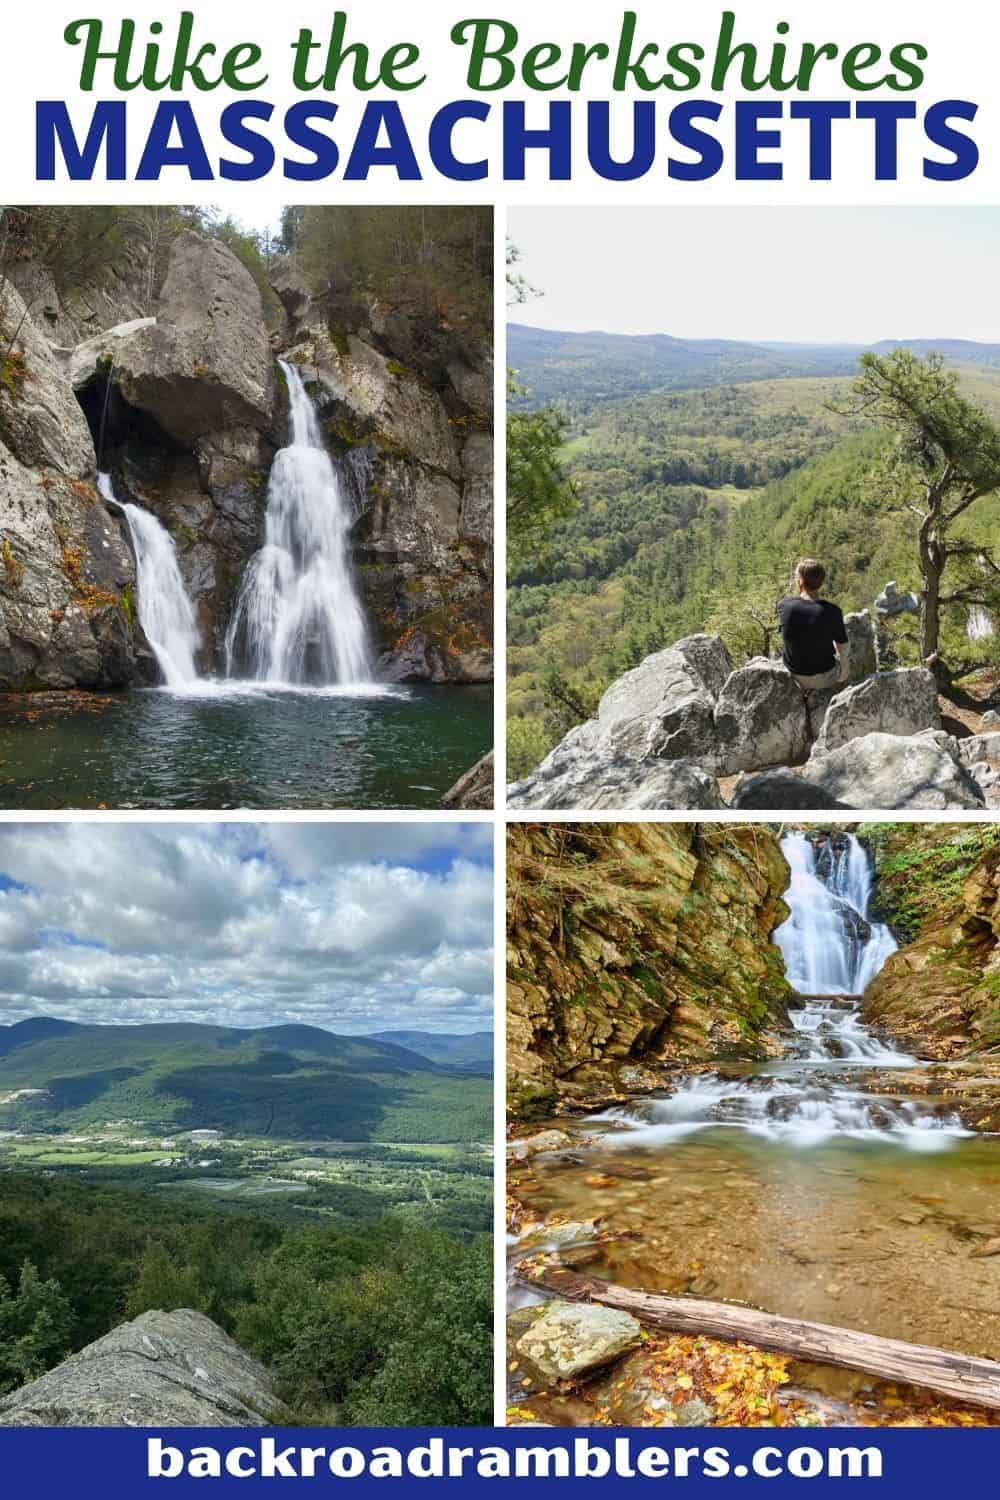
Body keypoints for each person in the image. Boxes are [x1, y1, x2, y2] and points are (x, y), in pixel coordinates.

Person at [777, 559, 849, 691]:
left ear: (800, 581)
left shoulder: (784, 606)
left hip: (794, 676)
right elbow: (842, 646)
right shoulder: (833, 611)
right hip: (825, 677)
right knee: (843, 658)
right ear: (821, 583)